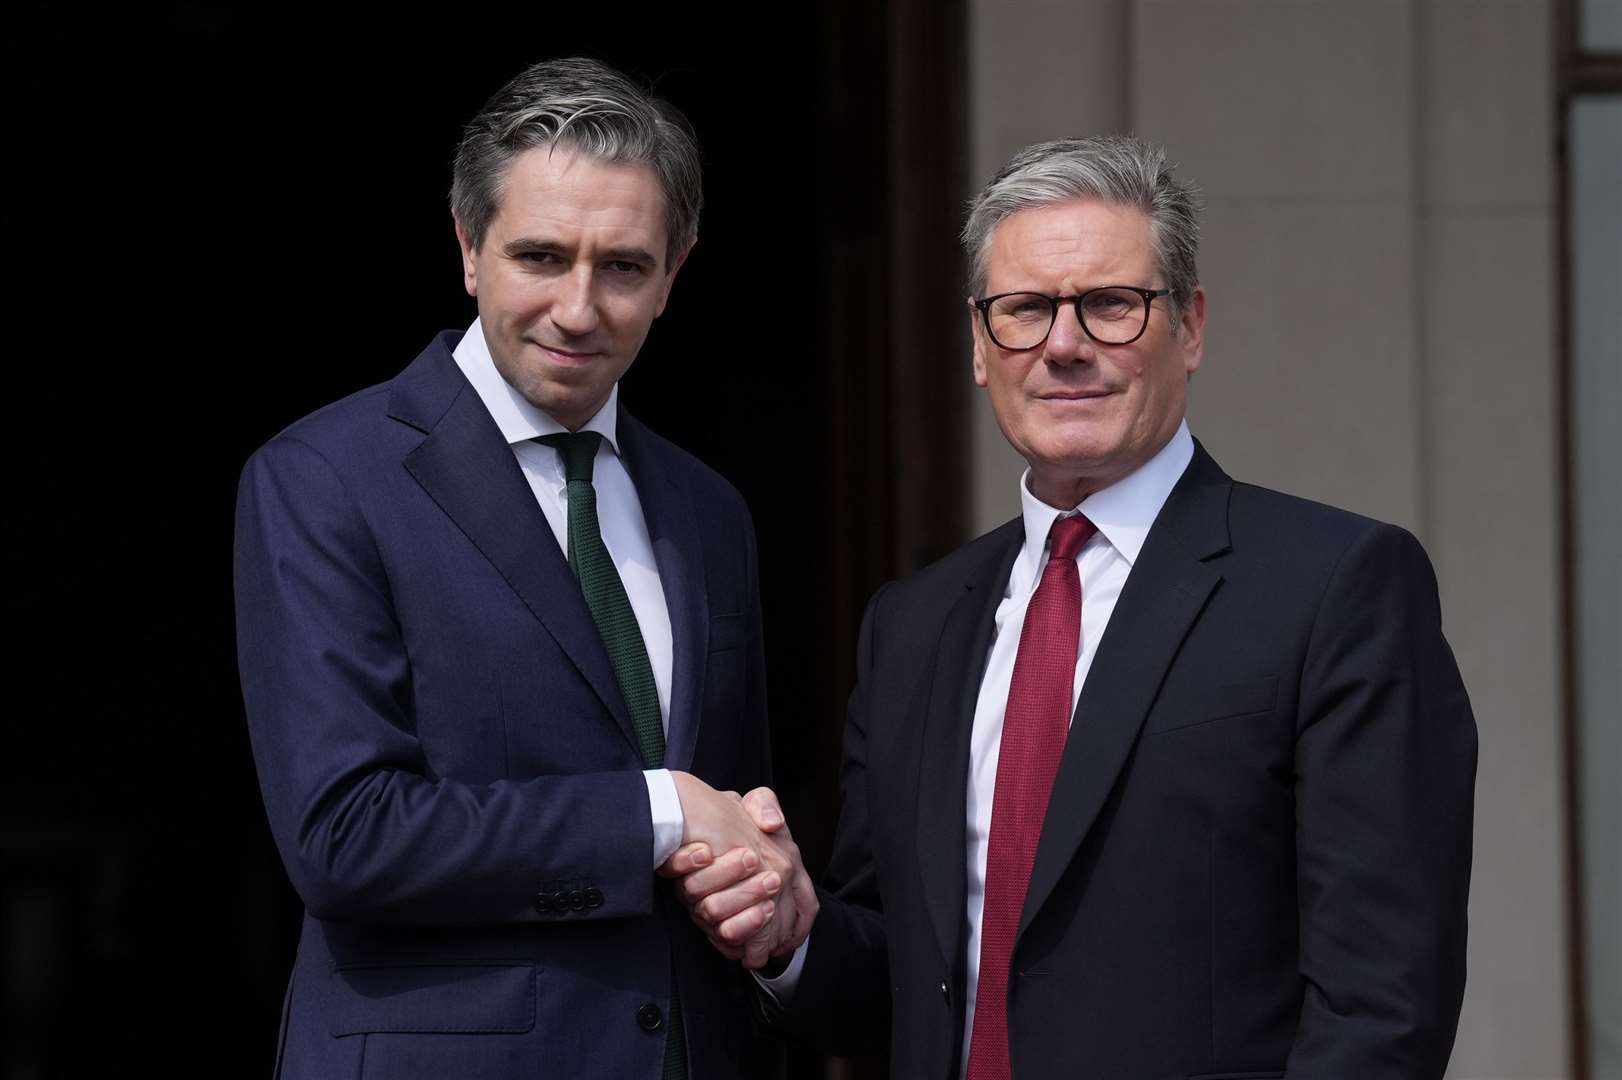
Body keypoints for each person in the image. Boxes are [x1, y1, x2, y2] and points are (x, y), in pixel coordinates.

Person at [675, 135, 1478, 1079]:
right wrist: (790, 934)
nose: (1063, 345)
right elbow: (896, 976)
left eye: (1111, 305)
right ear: (980, 346)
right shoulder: (913, 624)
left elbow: (1382, 1004)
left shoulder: (1338, 586)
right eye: (1024, 310)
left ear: (1190, 328)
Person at [233, 56, 811, 1079]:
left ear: (675, 270)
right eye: (541, 257)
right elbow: (345, 836)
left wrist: (767, 899)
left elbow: (732, 819)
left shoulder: (706, 511)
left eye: (623, 266)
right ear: (467, 249)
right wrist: (658, 809)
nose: (578, 309)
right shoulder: (326, 478)